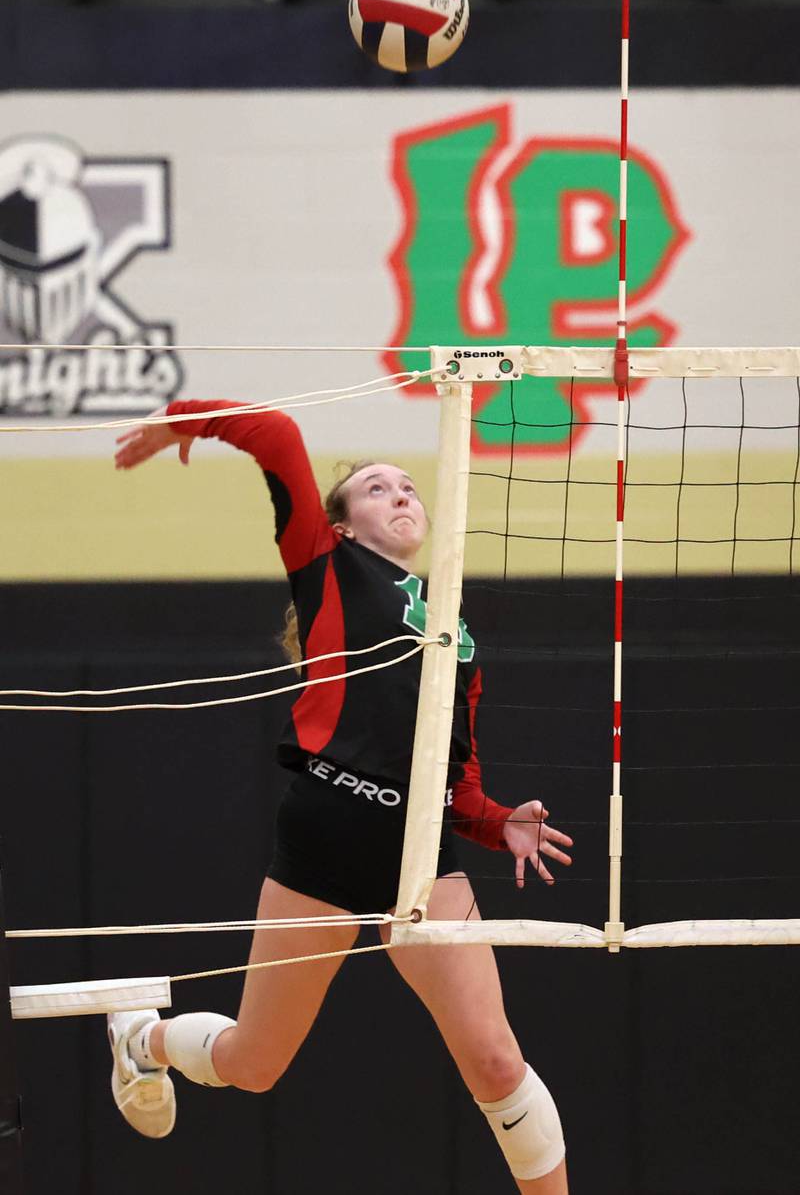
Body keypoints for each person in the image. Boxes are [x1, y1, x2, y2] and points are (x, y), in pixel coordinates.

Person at [108, 399, 574, 1194]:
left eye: (408, 487)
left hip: (422, 857)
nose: (400, 494)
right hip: (328, 834)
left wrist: (502, 825)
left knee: (496, 1058)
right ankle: (142, 1040)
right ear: (346, 525)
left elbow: (456, 786)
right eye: (376, 488)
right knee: (255, 1064)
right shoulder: (327, 565)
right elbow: (277, 432)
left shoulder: (457, 631)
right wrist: (185, 421)